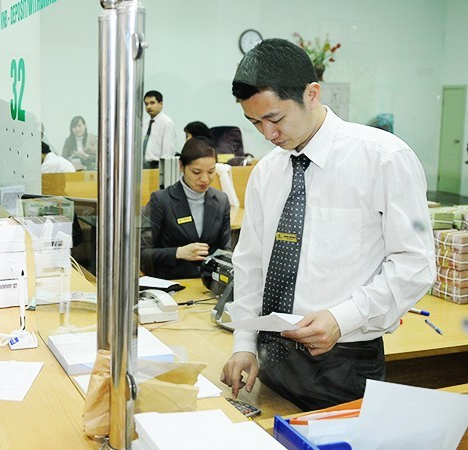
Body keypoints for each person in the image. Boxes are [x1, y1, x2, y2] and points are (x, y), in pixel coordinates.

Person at [220, 39, 435, 410]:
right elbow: (251, 264)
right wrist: (244, 343)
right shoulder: (267, 172)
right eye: (255, 122)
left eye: (275, 118)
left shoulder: (384, 158)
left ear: (312, 93)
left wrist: (342, 318)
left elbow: (415, 264)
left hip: (343, 360)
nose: (268, 134)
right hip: (271, 358)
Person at [141, 138, 231, 279]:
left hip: (206, 286)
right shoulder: (161, 200)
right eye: (196, 172)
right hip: (171, 284)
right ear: (181, 166)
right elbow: (142, 253)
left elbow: (225, 250)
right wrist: (178, 252)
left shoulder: (221, 200)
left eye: (211, 171)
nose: (205, 179)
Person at [142, 90, 177, 168]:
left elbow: (168, 152)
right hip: (142, 165)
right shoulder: (144, 123)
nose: (149, 107)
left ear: (161, 104)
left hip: (156, 166)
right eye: (146, 104)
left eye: (152, 103)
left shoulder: (167, 123)